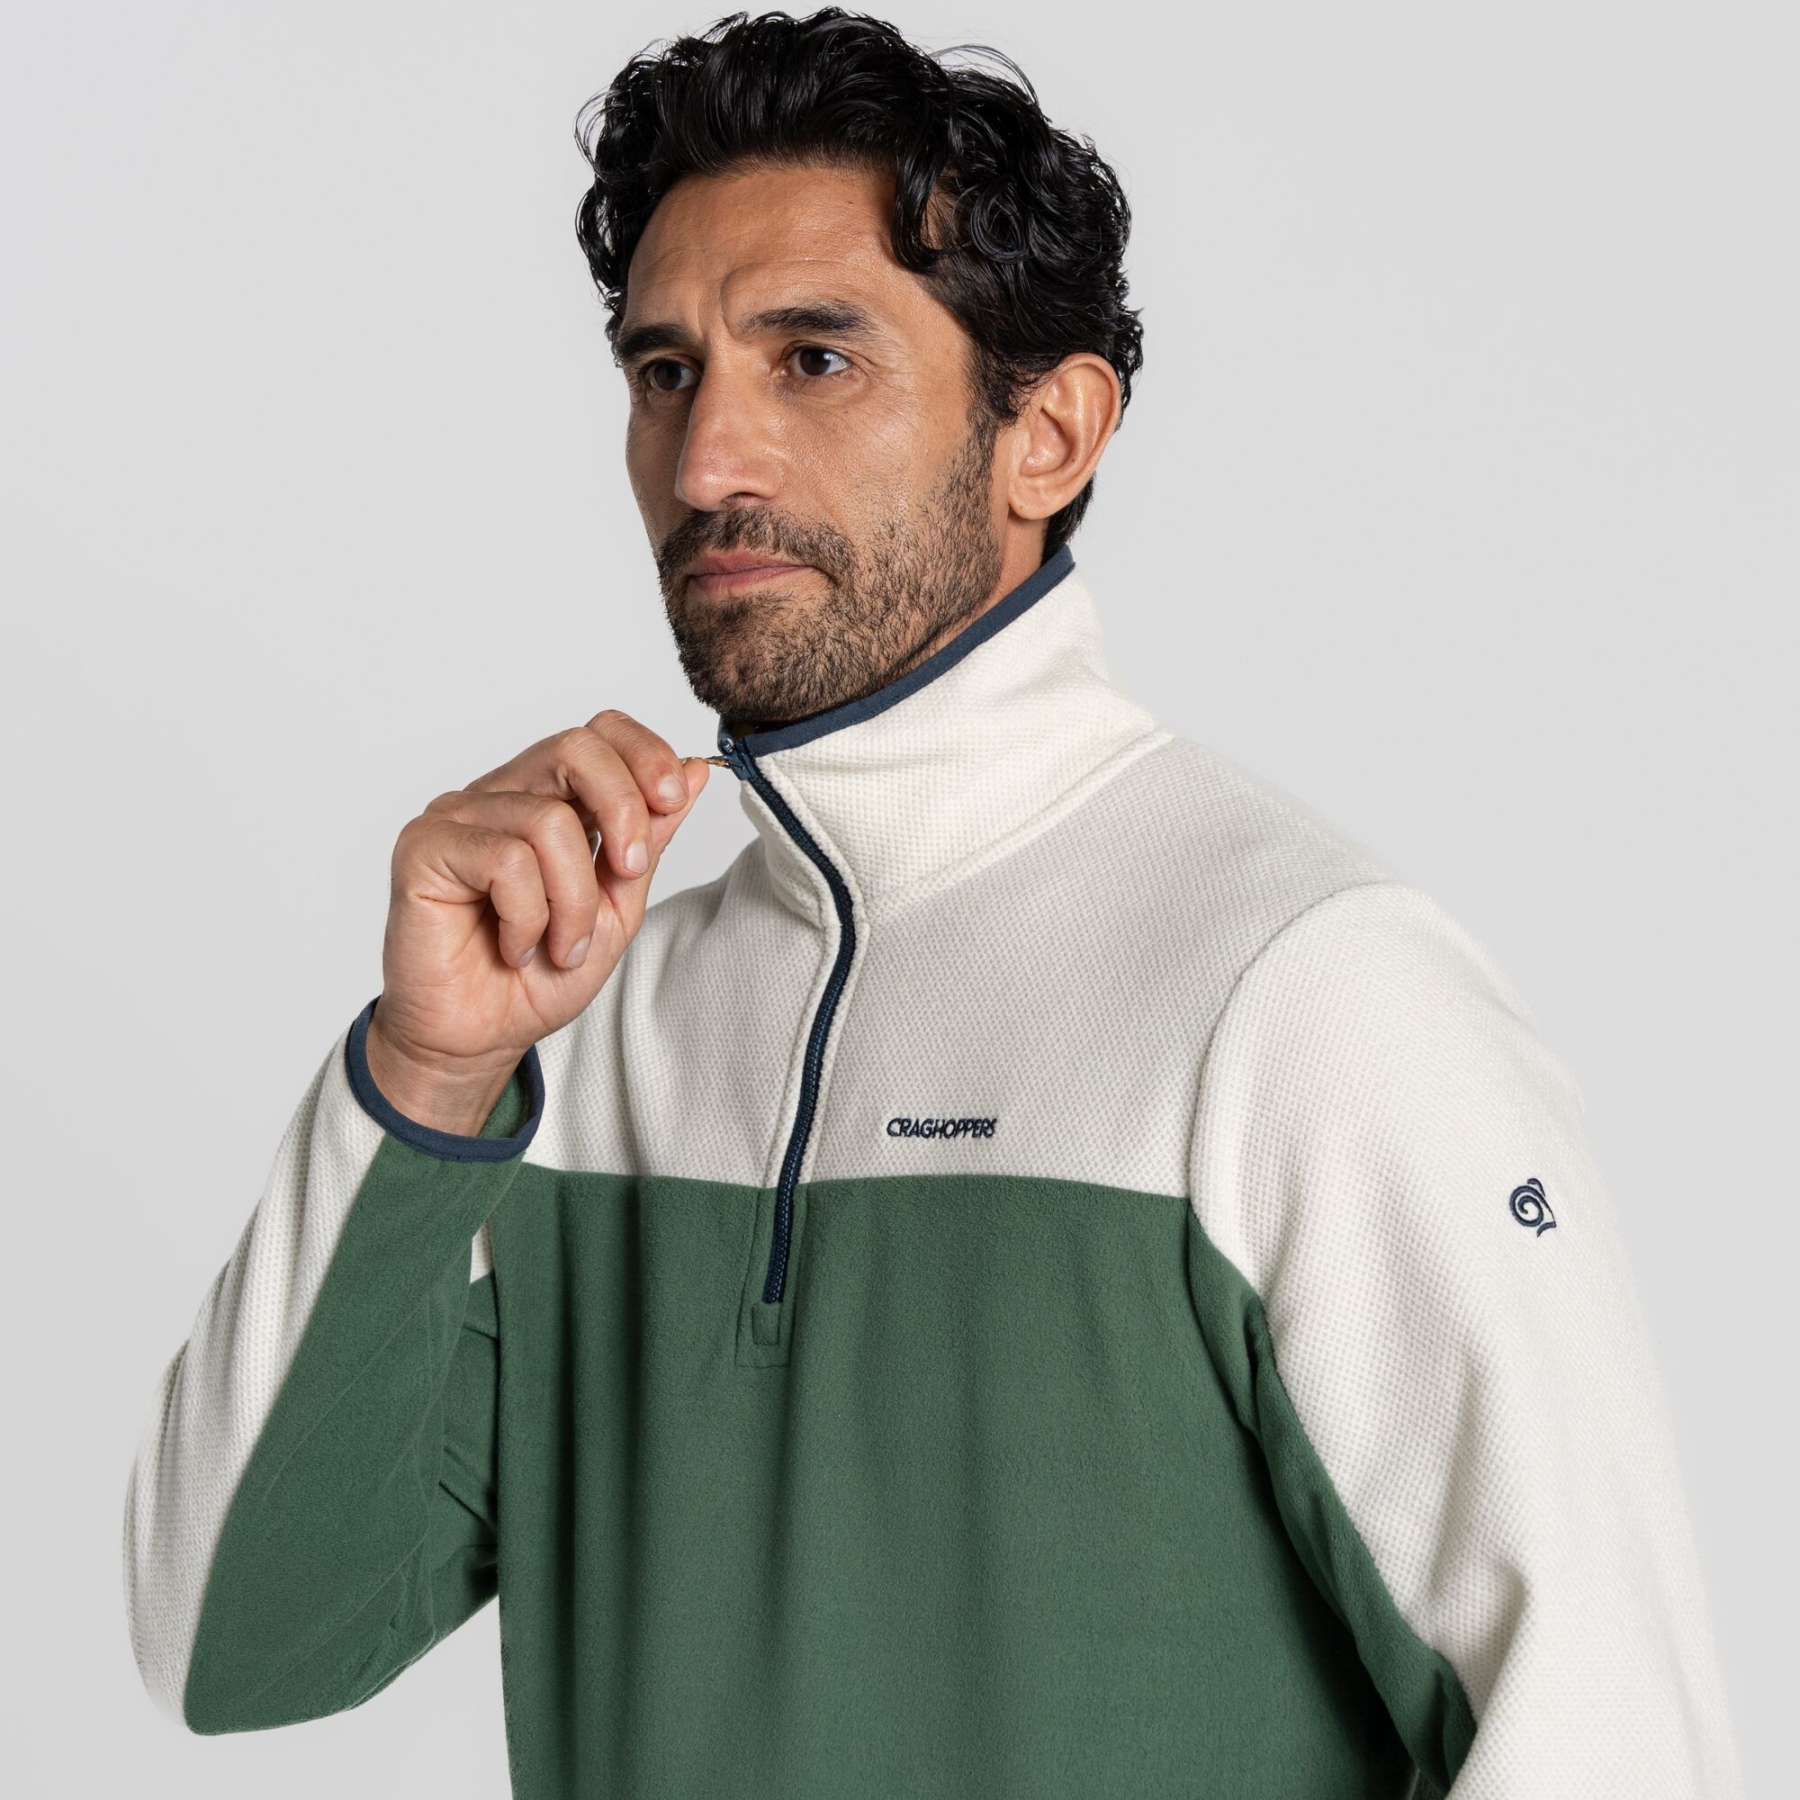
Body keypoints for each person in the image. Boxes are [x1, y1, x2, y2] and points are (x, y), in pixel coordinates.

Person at [121, 10, 1743, 1795]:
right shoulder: (588, 1037)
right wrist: (428, 1078)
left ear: (1050, 430)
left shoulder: (1305, 995)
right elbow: (230, 1646)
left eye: (813, 358)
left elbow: (1610, 1743)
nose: (709, 460)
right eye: (664, 372)